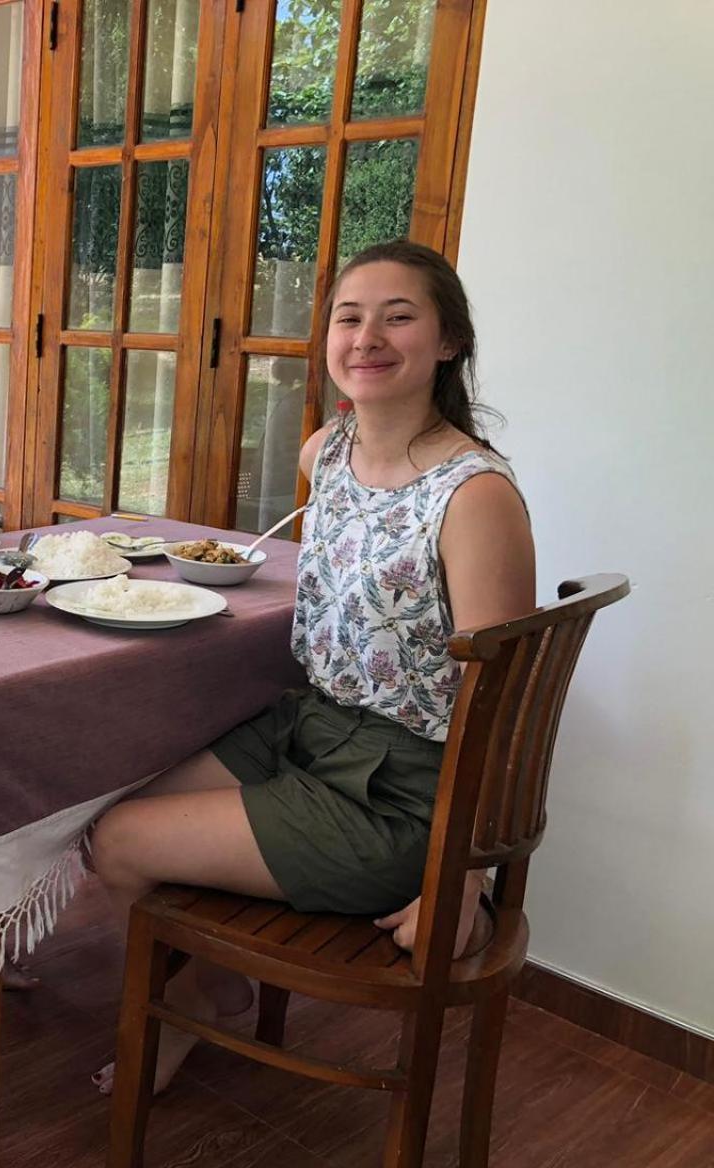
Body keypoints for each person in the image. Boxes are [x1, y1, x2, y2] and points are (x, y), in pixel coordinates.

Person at [88, 241, 535, 1095]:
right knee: (105, 802)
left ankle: (196, 1001)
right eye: (348, 317)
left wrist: (469, 877)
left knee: (120, 845)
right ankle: (214, 992)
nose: (368, 335)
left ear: (448, 343)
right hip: (312, 728)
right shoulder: (326, 452)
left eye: (398, 316)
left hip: (403, 793)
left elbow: (501, 700)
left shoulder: (474, 497)